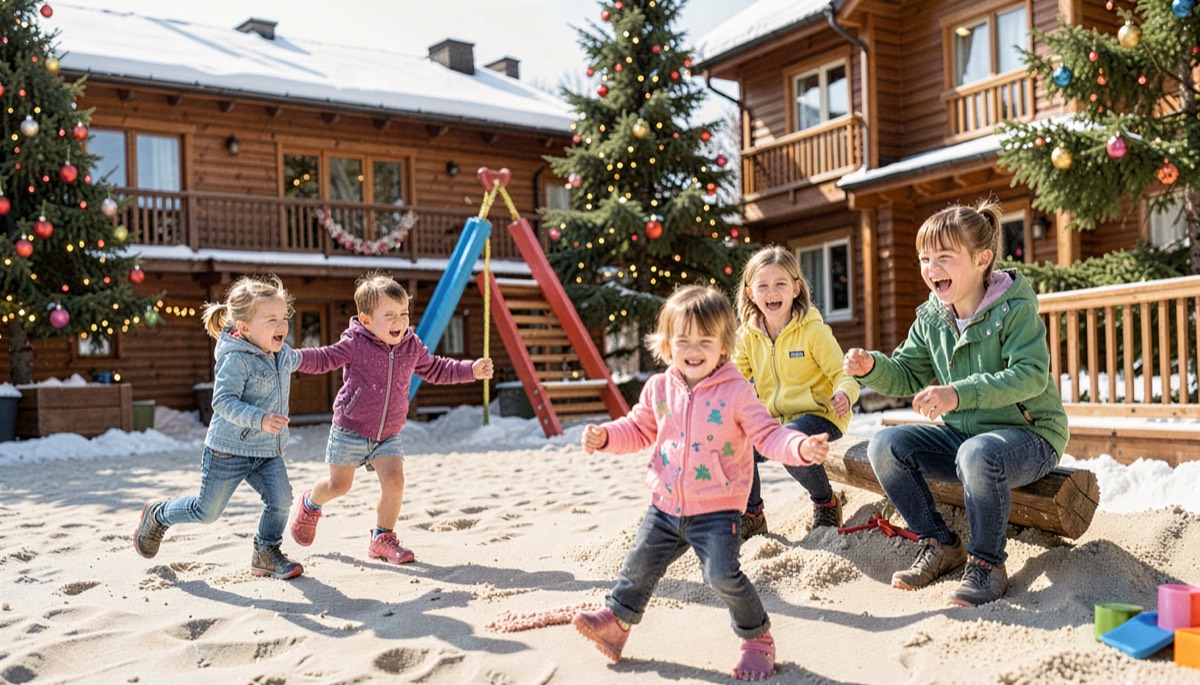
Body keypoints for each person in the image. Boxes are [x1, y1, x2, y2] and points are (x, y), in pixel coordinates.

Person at [574, 285, 830, 681]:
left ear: (724, 345)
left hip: (717, 511)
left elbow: (767, 435)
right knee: (638, 565)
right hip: (665, 505)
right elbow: (639, 429)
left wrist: (799, 446)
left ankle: (757, 640)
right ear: (666, 344)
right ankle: (616, 623)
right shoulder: (659, 388)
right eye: (684, 341)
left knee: (721, 576)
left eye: (705, 341)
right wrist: (606, 436)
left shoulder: (736, 391)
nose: (694, 350)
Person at [843, 199, 1068, 607]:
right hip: (966, 439)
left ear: (982, 260)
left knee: (977, 453)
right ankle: (938, 543)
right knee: (885, 446)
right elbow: (906, 374)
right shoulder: (933, 318)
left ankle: (987, 565)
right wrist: (871, 367)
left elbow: (1031, 375)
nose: (932, 268)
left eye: (944, 257)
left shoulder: (1014, 311)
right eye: (925, 259)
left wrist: (959, 393)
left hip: (1030, 436)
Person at [288, 273, 493, 565]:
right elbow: (325, 357)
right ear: (366, 320)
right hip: (350, 428)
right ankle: (310, 503)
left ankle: (382, 538)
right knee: (338, 486)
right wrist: (294, 358)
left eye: (404, 313)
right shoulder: (355, 343)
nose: (400, 321)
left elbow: (436, 368)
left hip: (387, 434)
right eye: (390, 315)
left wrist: (470, 370)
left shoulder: (411, 346)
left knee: (395, 481)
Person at [134, 275, 306, 579]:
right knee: (206, 512)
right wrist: (260, 419)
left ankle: (266, 552)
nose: (282, 326)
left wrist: (347, 351)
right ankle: (158, 514)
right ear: (244, 328)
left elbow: (309, 358)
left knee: (281, 500)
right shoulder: (235, 358)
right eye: (272, 320)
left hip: (266, 450)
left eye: (284, 318)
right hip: (228, 451)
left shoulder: (281, 354)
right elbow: (223, 402)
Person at [733, 246, 859, 540]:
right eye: (763, 286)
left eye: (780, 284)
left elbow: (843, 373)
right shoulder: (748, 336)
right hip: (777, 421)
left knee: (790, 440)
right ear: (751, 293)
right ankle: (752, 514)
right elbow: (732, 380)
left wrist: (844, 393)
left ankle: (826, 503)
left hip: (822, 416)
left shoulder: (813, 331)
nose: (772, 292)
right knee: (737, 439)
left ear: (796, 288)